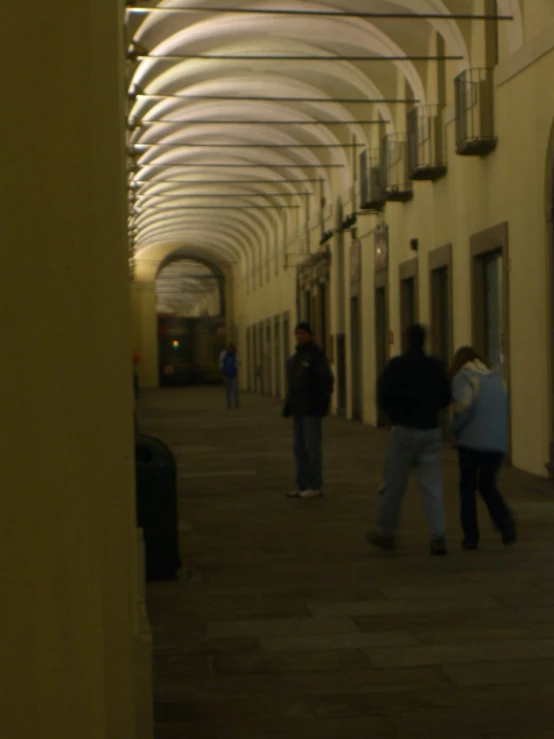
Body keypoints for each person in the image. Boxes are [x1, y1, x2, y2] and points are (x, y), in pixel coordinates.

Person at [368, 324, 451, 555]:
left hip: (404, 431)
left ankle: (386, 532)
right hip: (431, 431)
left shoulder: (397, 366)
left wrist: (393, 416)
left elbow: (383, 394)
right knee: (432, 488)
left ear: (406, 340)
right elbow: (445, 397)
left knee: (393, 484)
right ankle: (438, 537)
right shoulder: (435, 366)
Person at [449, 346, 516, 549]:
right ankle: (504, 520)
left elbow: (464, 407)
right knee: (487, 485)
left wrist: (454, 430)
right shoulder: (497, 379)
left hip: (471, 441)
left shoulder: (463, 377)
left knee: (467, 488)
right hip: (496, 443)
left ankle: (471, 537)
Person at [283, 322, 334, 499]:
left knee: (312, 447)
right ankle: (303, 485)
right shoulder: (295, 358)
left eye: (303, 333)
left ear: (310, 335)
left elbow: (326, 379)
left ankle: (314, 485)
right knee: (298, 448)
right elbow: (293, 385)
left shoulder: (316, 356)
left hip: (311, 408)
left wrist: (322, 403)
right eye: (297, 333)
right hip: (298, 408)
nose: (300, 336)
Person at [219, 342, 240, 409]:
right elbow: (221, 362)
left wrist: (235, 369)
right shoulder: (224, 354)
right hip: (227, 374)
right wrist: (223, 370)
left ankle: (235, 402)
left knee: (234, 389)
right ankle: (229, 403)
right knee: (228, 390)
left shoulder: (235, 354)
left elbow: (237, 362)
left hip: (233, 374)